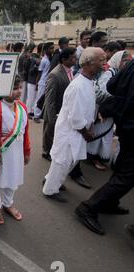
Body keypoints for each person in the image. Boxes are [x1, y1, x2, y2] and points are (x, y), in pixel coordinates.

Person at [74, 58, 134, 235]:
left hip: (125, 124)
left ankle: (108, 202)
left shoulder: (131, 64)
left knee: (123, 168)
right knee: (127, 175)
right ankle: (89, 207)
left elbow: (112, 86)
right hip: (131, 126)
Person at [42, 47, 106, 203]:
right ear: (89, 63)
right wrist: (86, 132)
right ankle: (50, 190)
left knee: (67, 162)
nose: (104, 64)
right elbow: (76, 117)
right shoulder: (78, 86)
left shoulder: (88, 82)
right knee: (62, 161)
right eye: (101, 60)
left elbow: (87, 106)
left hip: (77, 132)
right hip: (71, 131)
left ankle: (52, 181)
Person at [0, 76, 31, 225]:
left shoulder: (22, 107)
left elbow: (25, 133)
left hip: (17, 152)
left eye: (20, 87)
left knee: (13, 178)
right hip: (2, 153)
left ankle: (8, 203)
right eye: (14, 88)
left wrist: (27, 151)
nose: (18, 91)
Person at [87, 50, 133, 171]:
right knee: (99, 134)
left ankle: (99, 157)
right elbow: (102, 94)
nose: (127, 64)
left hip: (113, 112)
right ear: (119, 60)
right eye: (125, 61)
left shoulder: (123, 73)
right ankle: (93, 157)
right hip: (105, 112)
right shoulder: (110, 73)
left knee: (106, 136)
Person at [42, 48, 77, 161]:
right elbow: (50, 98)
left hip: (64, 108)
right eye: (72, 58)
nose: (75, 59)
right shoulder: (55, 74)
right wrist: (52, 117)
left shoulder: (70, 70)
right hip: (54, 108)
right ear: (64, 59)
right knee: (50, 131)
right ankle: (47, 151)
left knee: (57, 133)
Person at [33, 42, 55, 123]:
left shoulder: (51, 59)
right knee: (39, 99)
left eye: (53, 48)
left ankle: (41, 114)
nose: (52, 50)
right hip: (42, 82)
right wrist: (37, 83)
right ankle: (36, 115)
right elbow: (39, 72)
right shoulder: (44, 60)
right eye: (51, 48)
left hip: (48, 82)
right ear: (46, 50)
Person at [25, 43, 43, 118]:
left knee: (35, 98)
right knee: (30, 98)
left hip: (37, 81)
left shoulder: (41, 58)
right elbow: (30, 71)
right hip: (31, 81)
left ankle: (32, 111)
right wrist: (36, 65)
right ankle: (27, 112)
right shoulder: (34, 59)